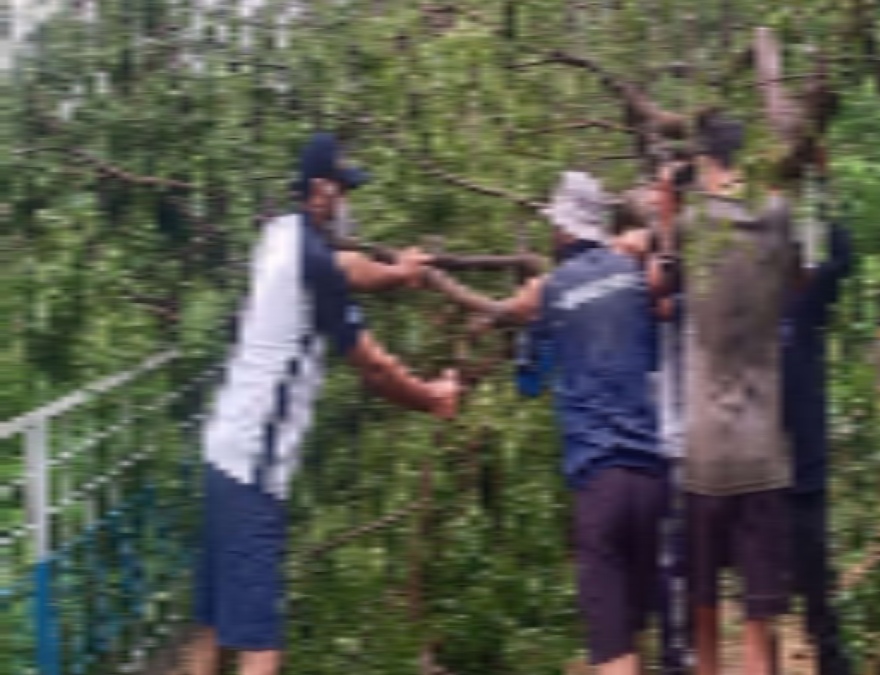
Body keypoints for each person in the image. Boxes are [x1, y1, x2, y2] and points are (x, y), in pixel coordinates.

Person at [186, 132, 462, 675]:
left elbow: (351, 265)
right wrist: (433, 398)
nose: (348, 205)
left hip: (223, 449)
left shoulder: (280, 234)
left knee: (216, 618)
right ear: (320, 192)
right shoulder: (315, 265)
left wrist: (400, 274)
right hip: (254, 469)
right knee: (261, 643)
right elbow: (375, 369)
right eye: (343, 191)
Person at [422, 172, 672, 675]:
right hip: (653, 476)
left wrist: (528, 322)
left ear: (562, 229)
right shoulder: (635, 275)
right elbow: (652, 346)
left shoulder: (551, 293)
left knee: (613, 644)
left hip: (598, 479)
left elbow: (530, 382)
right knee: (643, 630)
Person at [671, 112, 801, 675]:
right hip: (761, 451)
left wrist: (667, 190)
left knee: (703, 606)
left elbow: (664, 258)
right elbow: (801, 272)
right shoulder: (775, 220)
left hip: (703, 455)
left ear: (703, 161)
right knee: (757, 620)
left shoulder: (694, 224)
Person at [781, 220, 855, 675]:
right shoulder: (754, 308)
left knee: (815, 589)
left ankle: (831, 663)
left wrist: (826, 191)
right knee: (762, 595)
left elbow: (844, 258)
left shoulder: (806, 307)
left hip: (805, 473)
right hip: (761, 472)